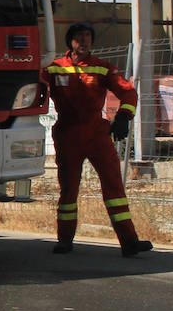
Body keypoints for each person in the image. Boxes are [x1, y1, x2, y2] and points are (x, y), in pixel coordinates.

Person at [42, 21, 152, 257]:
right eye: (79, 36)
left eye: (88, 36)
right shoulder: (54, 68)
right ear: (70, 41)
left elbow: (128, 92)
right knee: (69, 189)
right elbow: (34, 87)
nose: (84, 41)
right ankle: (64, 240)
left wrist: (124, 116)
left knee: (114, 185)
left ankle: (129, 242)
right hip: (67, 135)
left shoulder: (102, 68)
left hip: (97, 135)